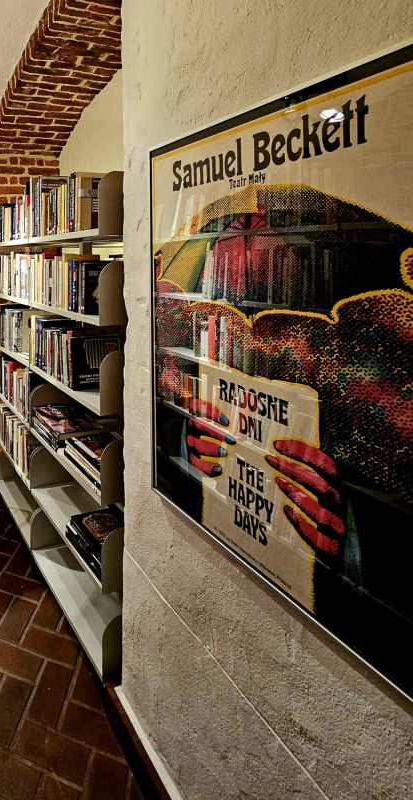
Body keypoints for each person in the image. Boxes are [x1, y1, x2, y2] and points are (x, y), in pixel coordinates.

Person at [153, 184, 413, 695]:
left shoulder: (360, 351)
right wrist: (188, 437)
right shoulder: (198, 326)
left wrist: (346, 529)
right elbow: (169, 419)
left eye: (259, 234)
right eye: (227, 237)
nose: (237, 249)